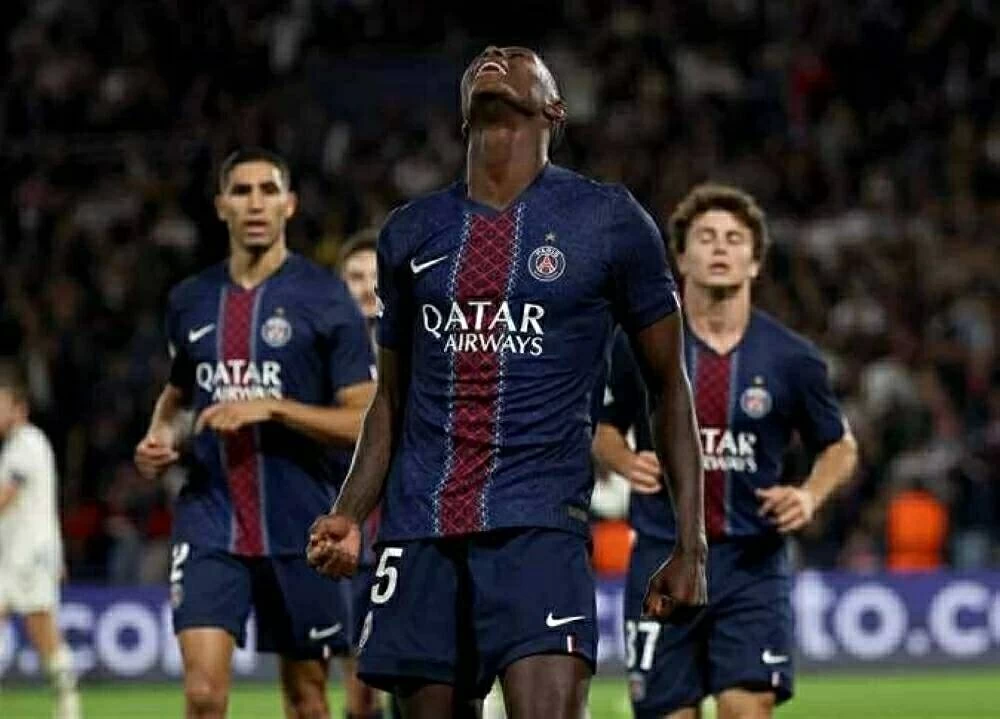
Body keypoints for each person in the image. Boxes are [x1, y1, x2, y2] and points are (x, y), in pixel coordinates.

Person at [308, 46, 707, 719]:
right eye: (486, 57)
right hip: (421, 528)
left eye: (519, 58)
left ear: (555, 108)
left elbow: (669, 387)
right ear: (462, 115)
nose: (495, 56)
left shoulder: (608, 220)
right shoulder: (411, 231)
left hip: (540, 526)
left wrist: (690, 544)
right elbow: (391, 398)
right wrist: (350, 511)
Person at [594, 183, 859, 719]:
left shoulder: (792, 358)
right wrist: (623, 460)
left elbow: (839, 446)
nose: (720, 247)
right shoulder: (638, 347)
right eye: (706, 237)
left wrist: (809, 496)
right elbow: (599, 426)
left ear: (754, 262)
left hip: (751, 562)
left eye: (734, 239)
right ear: (681, 258)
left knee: (746, 706)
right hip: (662, 556)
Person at [134, 148, 375, 719]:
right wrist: (159, 435)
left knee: (307, 700)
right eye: (241, 191)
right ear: (222, 206)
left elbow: (364, 421)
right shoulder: (190, 300)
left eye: (268, 190)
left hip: (301, 523)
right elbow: (178, 392)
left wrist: (272, 408)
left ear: (289, 204)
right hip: (210, 517)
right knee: (203, 695)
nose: (255, 203)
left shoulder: (325, 298)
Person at [337, 230, 399, 719]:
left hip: (410, 529)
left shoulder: (421, 345)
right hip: (351, 534)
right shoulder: (322, 355)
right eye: (354, 277)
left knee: (418, 676)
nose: (365, 287)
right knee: (359, 689)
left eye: (374, 277)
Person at [0, 361, 82, 719]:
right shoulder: (16, 446)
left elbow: (5, 498)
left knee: (44, 633)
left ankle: (68, 703)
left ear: (19, 408)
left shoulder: (27, 443)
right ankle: (68, 703)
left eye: (1, 405)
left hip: (28, 557)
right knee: (43, 632)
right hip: (20, 555)